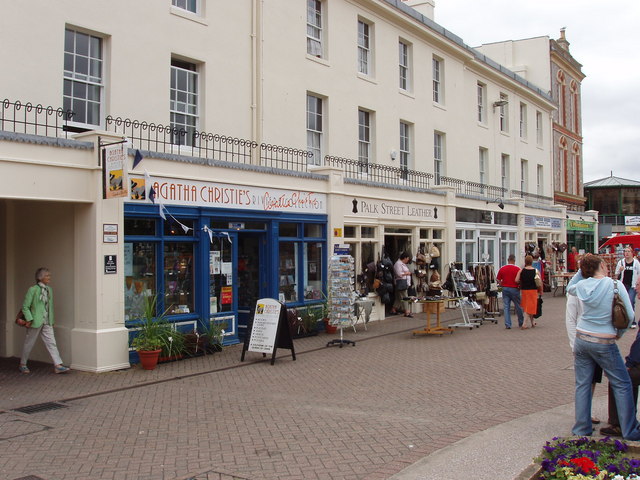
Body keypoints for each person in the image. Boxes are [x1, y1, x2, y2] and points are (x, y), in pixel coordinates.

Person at [567, 254, 640, 440]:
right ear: (601, 264)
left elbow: (570, 288)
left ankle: (581, 428)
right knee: (622, 382)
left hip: (582, 337)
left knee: (582, 384)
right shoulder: (614, 285)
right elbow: (630, 315)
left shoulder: (583, 285)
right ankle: (630, 429)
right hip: (604, 340)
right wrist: (619, 334)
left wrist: (581, 270)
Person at [565, 269, 603, 425]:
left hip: (598, 340)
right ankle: (582, 416)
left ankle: (587, 412)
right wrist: (574, 345)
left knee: (593, 379)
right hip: (582, 342)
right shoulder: (576, 290)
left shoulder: (600, 288)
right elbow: (570, 319)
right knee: (584, 381)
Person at [19, 267, 70, 374]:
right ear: (40, 277)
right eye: (47, 276)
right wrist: (29, 319)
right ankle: (23, 364)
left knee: (51, 343)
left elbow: (49, 307)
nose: (49, 277)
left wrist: (51, 319)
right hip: (35, 321)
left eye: (49, 275)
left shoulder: (49, 289)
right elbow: (25, 306)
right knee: (29, 343)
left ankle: (58, 365)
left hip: (47, 321)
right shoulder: (33, 289)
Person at [496, 254, 524, 329]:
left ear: (508, 260)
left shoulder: (502, 268)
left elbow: (498, 279)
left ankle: (508, 324)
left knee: (506, 307)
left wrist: (501, 284)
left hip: (505, 289)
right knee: (518, 306)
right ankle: (521, 322)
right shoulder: (517, 269)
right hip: (514, 289)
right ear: (514, 261)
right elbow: (520, 280)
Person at [615, 246, 640, 328]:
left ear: (632, 253)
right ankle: (624, 320)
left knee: (631, 300)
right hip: (623, 285)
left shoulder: (636, 263)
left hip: (632, 285)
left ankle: (632, 321)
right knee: (623, 302)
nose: (627, 253)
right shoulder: (621, 262)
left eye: (628, 251)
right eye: (625, 251)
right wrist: (620, 270)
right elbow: (616, 274)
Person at [515, 255, 541, 329]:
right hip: (533, 290)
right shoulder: (536, 271)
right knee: (530, 306)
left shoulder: (521, 270)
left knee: (528, 305)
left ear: (525, 262)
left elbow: (516, 280)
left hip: (524, 290)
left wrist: (522, 281)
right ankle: (524, 323)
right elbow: (540, 282)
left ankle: (532, 322)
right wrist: (541, 290)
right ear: (532, 262)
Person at [392, 252, 413, 318]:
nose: (408, 260)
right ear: (405, 258)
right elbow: (399, 274)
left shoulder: (403, 264)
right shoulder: (398, 264)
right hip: (401, 282)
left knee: (399, 298)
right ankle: (407, 312)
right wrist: (406, 273)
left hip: (404, 283)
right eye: (408, 258)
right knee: (405, 297)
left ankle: (393, 309)